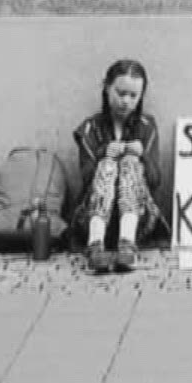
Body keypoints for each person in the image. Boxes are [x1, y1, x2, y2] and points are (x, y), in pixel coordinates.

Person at [71, 59, 166, 274]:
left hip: (138, 221)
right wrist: (102, 154)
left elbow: (155, 181)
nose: (126, 101)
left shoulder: (147, 126)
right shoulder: (90, 128)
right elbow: (85, 178)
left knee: (130, 162)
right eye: (120, 93)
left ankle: (127, 244)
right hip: (92, 219)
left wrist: (143, 157)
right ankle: (95, 245)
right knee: (107, 165)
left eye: (133, 96)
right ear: (106, 88)